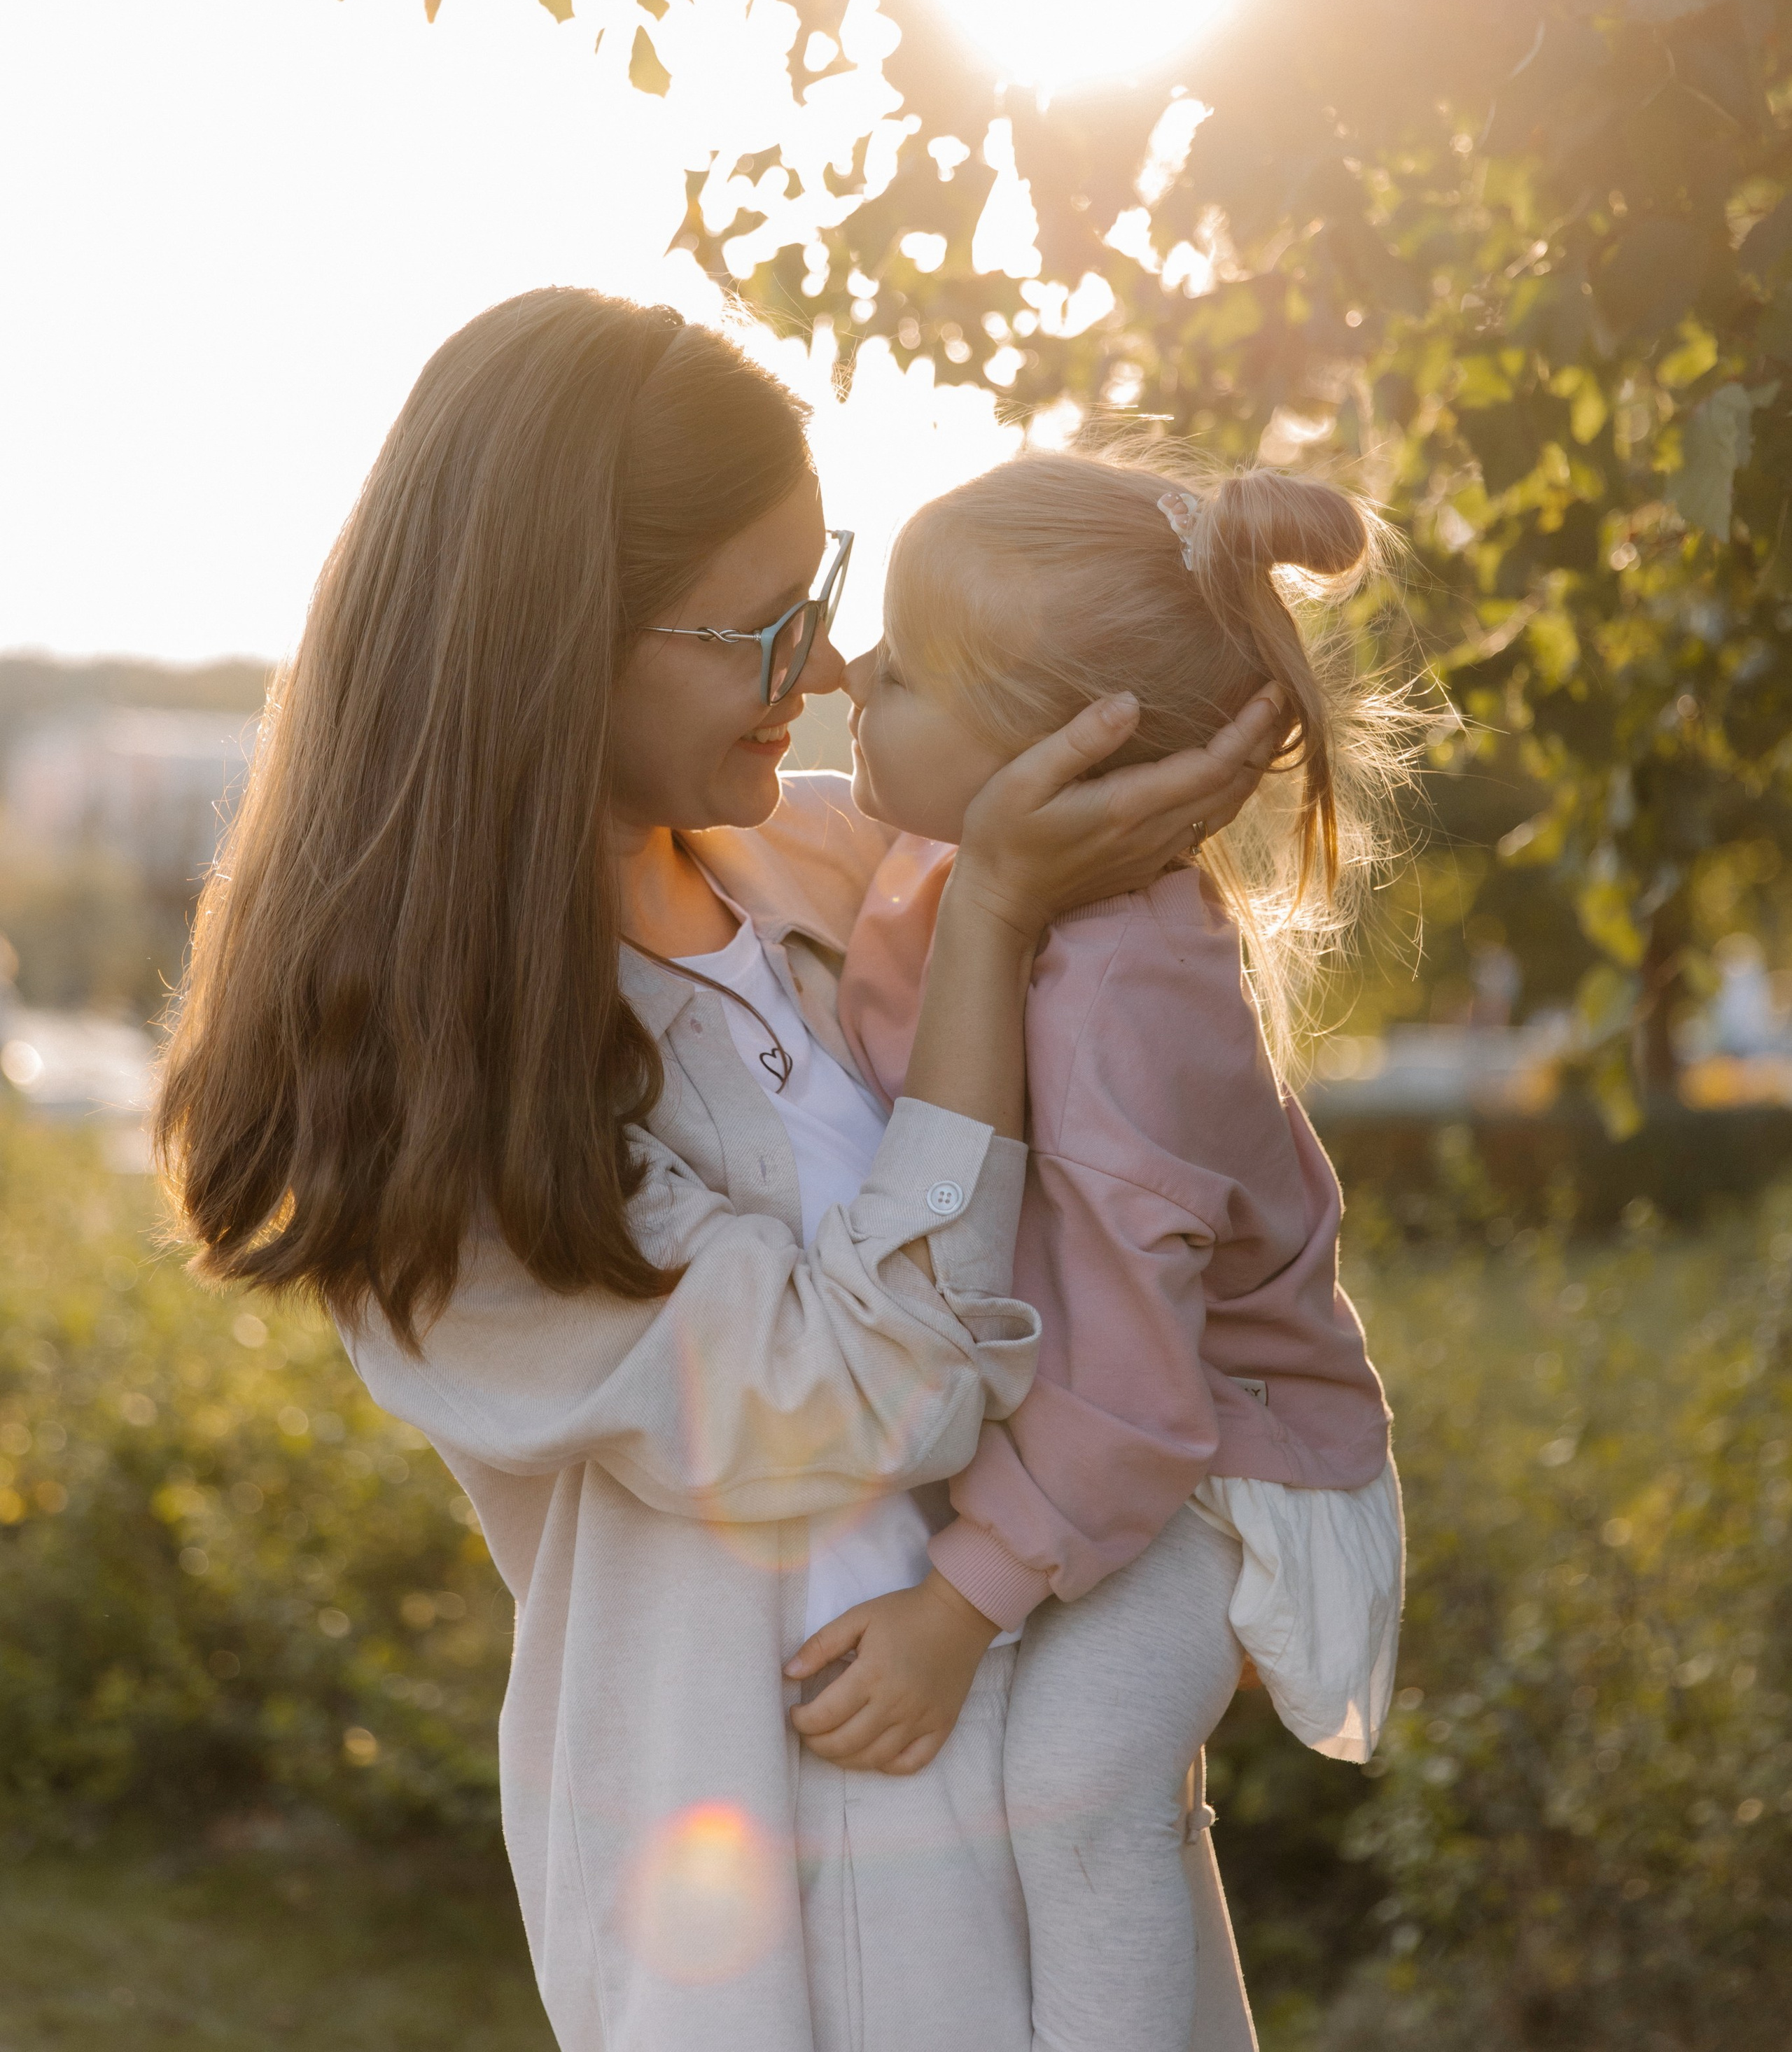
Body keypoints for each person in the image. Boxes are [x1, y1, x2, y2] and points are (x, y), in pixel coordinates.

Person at [153, 290, 1282, 2052]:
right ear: (556, 647)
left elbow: (1160, 1171)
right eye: (763, 630)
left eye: (815, 604)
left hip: (1073, 1848)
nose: (821, 673)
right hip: (791, 1905)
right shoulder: (430, 1114)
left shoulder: (833, 875)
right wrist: (989, 921)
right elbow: (870, 1402)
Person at [785, 447, 1408, 2052]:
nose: (854, 672)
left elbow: (1141, 1400)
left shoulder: (1129, 1001)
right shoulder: (950, 866)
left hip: (1214, 1459)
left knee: (1076, 1782)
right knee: (1002, 1761)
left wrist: (955, 1603)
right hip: (1086, 1423)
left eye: (909, 670)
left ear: (1072, 754)